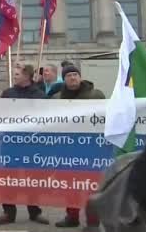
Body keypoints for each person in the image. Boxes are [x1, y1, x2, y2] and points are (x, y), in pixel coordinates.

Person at [51, 65, 104, 229]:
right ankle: (72, 216)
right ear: (64, 79)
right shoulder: (57, 98)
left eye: (75, 74)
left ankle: (93, 221)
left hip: (91, 148)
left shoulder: (96, 95)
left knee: (91, 186)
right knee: (70, 185)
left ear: (80, 77)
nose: (72, 78)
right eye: (69, 76)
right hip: (67, 149)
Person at [0, 64, 49, 225]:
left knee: (32, 179)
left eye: (18, 74)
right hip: (11, 143)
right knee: (9, 178)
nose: (15, 76)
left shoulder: (39, 95)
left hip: (32, 144)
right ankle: (8, 212)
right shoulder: (7, 94)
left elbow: (46, 118)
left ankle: (34, 211)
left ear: (27, 76)